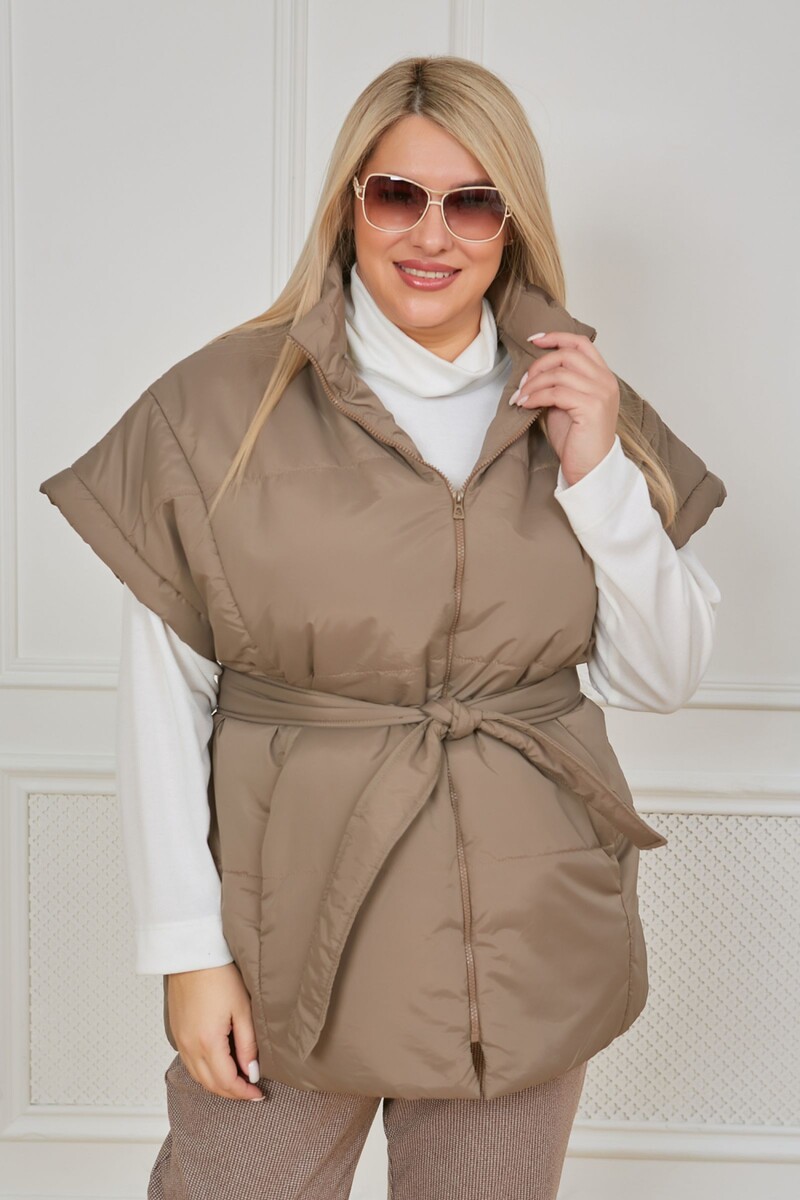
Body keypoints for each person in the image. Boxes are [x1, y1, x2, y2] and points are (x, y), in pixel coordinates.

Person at [39, 54, 726, 1200]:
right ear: (348, 204)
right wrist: (186, 952)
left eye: (472, 202)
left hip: (524, 929)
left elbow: (661, 676)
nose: (431, 235)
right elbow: (164, 699)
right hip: (293, 927)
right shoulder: (219, 408)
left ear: (512, 222)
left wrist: (598, 471)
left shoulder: (581, 401)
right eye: (397, 194)